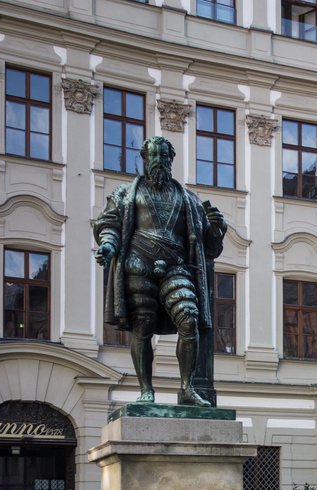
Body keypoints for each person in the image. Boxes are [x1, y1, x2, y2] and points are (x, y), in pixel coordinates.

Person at [93, 136, 227, 407]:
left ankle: (187, 388)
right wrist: (108, 245)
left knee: (189, 320)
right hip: (138, 263)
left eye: (164, 156)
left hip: (176, 266)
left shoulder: (188, 198)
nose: (159, 162)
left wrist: (217, 229)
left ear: (171, 160)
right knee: (143, 326)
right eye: (154, 156)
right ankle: (146, 390)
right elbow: (109, 223)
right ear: (145, 159)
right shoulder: (125, 193)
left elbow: (209, 248)